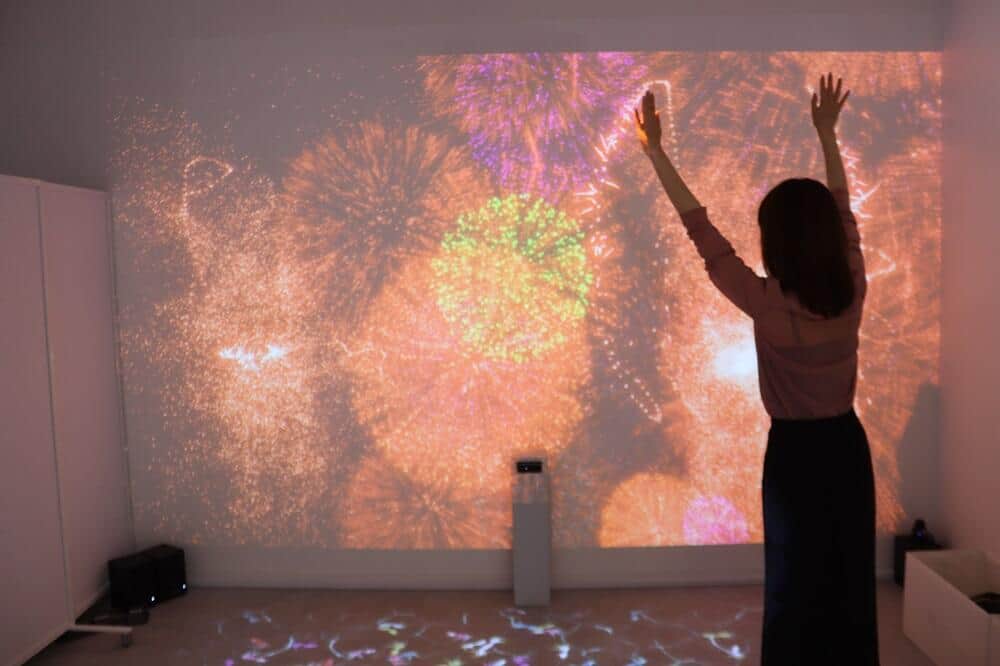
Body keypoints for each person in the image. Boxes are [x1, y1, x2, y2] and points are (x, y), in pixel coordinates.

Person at [634, 73, 878, 665]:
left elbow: (704, 234)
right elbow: (842, 205)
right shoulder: (853, 290)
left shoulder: (766, 304)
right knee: (849, 588)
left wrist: (658, 155)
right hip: (846, 448)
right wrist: (827, 135)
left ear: (776, 245)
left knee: (793, 589)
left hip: (793, 456)